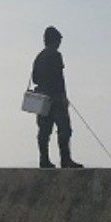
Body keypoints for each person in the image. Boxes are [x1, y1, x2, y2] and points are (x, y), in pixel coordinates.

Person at [32, 26, 82, 169]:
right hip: (56, 97)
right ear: (54, 41)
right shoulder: (55, 55)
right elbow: (60, 78)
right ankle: (65, 160)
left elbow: (35, 78)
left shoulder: (39, 57)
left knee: (44, 131)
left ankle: (44, 160)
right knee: (64, 129)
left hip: (42, 98)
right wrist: (63, 96)